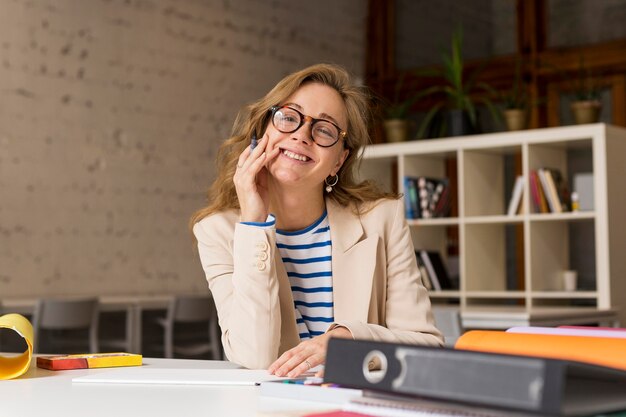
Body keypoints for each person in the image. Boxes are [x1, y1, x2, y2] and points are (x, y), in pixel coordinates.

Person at [190, 63, 443, 377]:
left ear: (339, 159)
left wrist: (346, 340)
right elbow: (254, 355)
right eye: (288, 117)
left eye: (324, 129)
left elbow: (426, 345)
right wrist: (254, 225)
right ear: (261, 132)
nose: (301, 135)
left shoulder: (382, 220)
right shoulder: (217, 231)